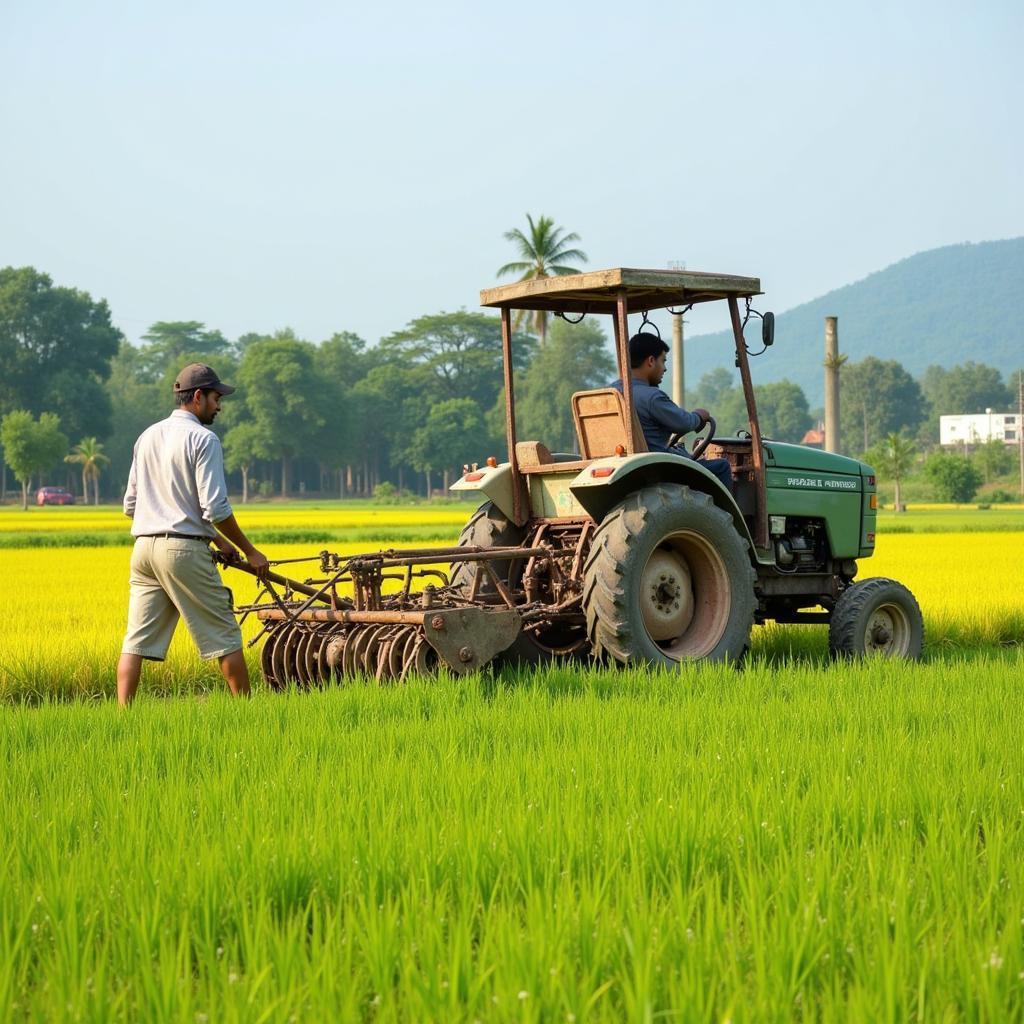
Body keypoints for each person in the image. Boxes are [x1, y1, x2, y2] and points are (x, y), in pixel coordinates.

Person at [116, 363, 270, 705]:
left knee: (135, 641)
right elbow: (215, 508)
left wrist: (218, 540)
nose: (219, 405)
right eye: (216, 397)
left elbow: (131, 505)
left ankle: (122, 716)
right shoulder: (203, 438)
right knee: (225, 635)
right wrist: (249, 551)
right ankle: (249, 714)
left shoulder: (147, 436)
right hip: (182, 553)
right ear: (197, 397)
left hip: (143, 551)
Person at [611, 332, 734, 491]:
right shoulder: (652, 397)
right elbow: (685, 423)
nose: (665, 368)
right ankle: (727, 516)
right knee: (722, 466)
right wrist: (700, 416)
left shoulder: (610, 392)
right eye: (663, 361)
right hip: (657, 468)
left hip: (621, 464)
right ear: (651, 361)